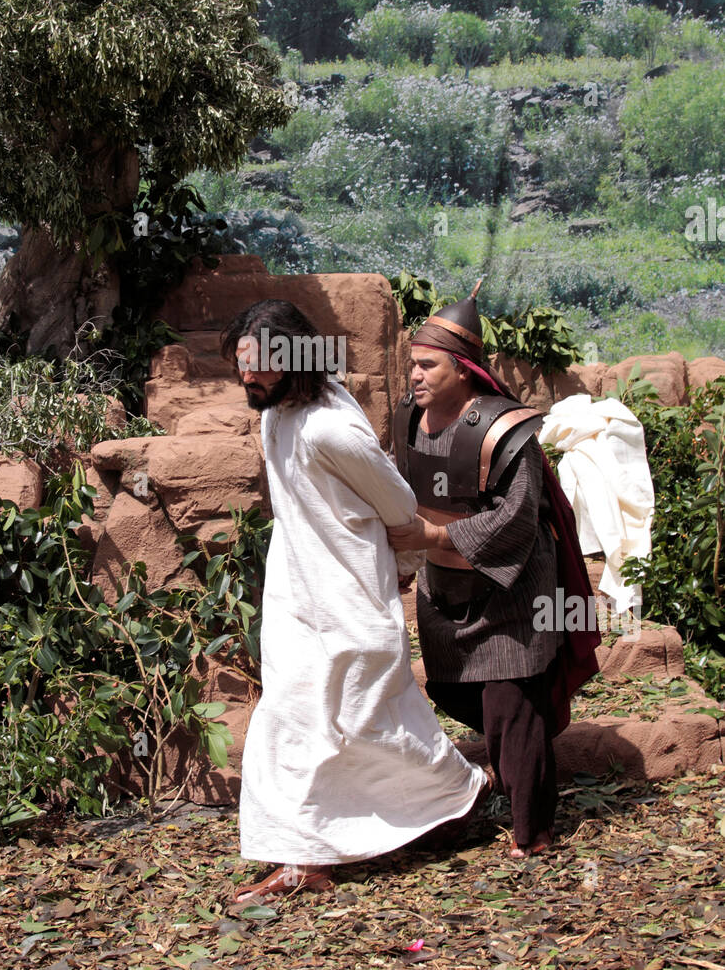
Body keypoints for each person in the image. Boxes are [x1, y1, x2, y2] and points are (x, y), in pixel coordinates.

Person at [221, 298, 490, 901]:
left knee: (364, 723)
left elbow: (398, 506)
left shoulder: (330, 428)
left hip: (346, 603)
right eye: (241, 365)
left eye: (259, 367)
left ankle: (453, 799)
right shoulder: (279, 411)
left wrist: (399, 570)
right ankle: (310, 856)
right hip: (297, 600)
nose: (248, 378)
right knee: (296, 718)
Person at [387, 282, 600, 858]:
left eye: (428, 365)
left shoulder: (507, 431)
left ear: (463, 370)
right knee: (468, 698)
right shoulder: (411, 418)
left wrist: (438, 534)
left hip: (510, 595)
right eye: (412, 364)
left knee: (514, 709)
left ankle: (534, 831)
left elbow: (519, 518)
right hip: (444, 588)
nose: (416, 375)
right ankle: (494, 791)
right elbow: (397, 480)